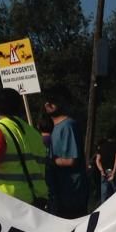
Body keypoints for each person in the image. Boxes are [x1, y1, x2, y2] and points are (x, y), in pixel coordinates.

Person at [42, 87, 89, 219]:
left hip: (71, 192)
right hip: (59, 191)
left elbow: (70, 160)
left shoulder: (68, 126)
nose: (47, 105)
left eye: (51, 101)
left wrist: (48, 161)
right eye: (46, 102)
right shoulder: (53, 127)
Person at [93, 138, 116, 203]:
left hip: (104, 171)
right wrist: (114, 171)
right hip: (111, 170)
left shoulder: (101, 147)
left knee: (104, 192)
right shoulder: (115, 146)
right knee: (115, 191)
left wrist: (101, 170)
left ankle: (103, 207)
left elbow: (97, 160)